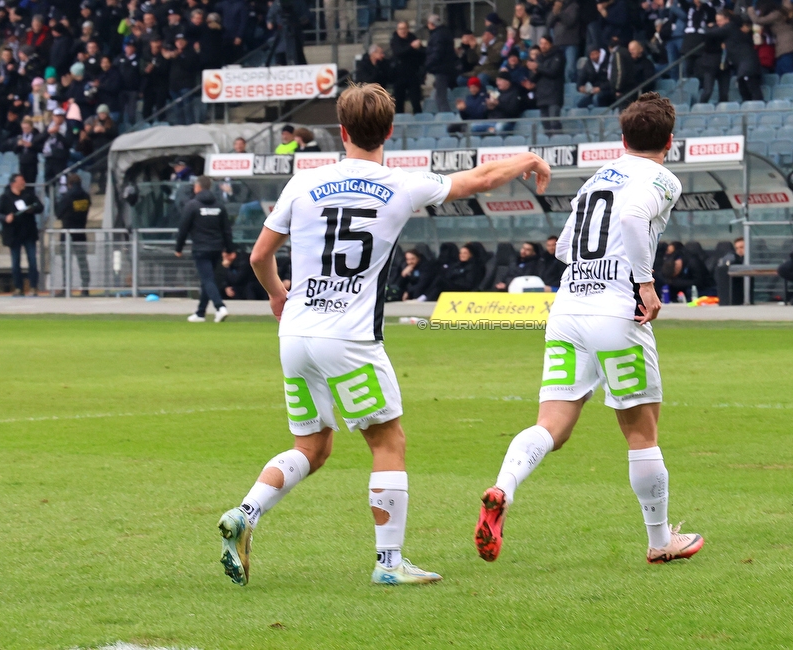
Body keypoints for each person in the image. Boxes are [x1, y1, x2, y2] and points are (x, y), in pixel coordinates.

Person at [216, 83, 550, 587]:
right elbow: (479, 180)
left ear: (342, 131)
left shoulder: (302, 182)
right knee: (387, 441)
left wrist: (278, 296)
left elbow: (259, 256)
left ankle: (246, 513)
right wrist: (526, 156)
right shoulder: (401, 184)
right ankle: (389, 564)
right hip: (349, 339)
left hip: (297, 336)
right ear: (389, 132)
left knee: (312, 447)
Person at [473, 93, 704, 566]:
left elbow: (563, 247)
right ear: (670, 142)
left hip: (569, 309)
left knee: (551, 425)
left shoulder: (598, 177)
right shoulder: (661, 177)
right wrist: (645, 283)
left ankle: (504, 487)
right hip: (616, 312)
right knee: (642, 434)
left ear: (622, 139)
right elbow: (633, 216)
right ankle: (660, 541)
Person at [175, 174, 235, 322]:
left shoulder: (192, 205)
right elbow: (226, 230)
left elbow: (183, 228)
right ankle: (200, 313)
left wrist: (178, 247)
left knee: (208, 280)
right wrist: (229, 249)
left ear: (197, 187)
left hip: (201, 249)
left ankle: (220, 307)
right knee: (207, 281)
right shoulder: (219, 206)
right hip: (217, 248)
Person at [0, 173, 44, 296]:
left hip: (28, 232)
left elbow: (40, 207)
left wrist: (31, 209)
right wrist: (5, 218)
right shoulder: (5, 197)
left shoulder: (29, 195)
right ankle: (18, 287)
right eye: (21, 180)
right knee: (15, 262)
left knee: (32, 261)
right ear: (14, 183)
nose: (23, 183)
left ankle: (33, 286)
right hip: (14, 234)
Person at [707, 11, 764, 101]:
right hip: (743, 64)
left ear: (727, 20)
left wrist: (708, 27)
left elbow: (711, 33)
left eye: (720, 21)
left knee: (751, 87)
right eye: (716, 21)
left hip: (747, 64)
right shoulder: (734, 29)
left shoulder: (729, 27)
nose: (717, 23)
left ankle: (757, 108)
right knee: (743, 88)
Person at [56, 173, 93, 296]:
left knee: (66, 261)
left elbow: (59, 213)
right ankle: (85, 287)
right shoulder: (86, 196)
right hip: (81, 231)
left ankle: (66, 287)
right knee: (82, 260)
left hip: (67, 231)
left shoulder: (67, 197)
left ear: (69, 184)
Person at [748, 0, 793, 76]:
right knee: (779, 72)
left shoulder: (776, 14)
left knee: (788, 72)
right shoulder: (779, 13)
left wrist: (750, 9)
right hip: (783, 46)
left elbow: (758, 20)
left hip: (786, 45)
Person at [390, 22, 424, 114]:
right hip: (399, 75)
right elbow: (398, 52)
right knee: (399, 101)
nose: (403, 31)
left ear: (408, 29)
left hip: (413, 73)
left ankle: (419, 120)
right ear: (397, 30)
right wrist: (411, 47)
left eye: (404, 28)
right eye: (400, 29)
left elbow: (422, 53)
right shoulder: (395, 40)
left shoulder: (413, 38)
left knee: (416, 100)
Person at [532, 37, 564, 133]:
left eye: (545, 43)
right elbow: (534, 78)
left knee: (554, 123)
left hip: (554, 94)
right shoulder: (538, 58)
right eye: (541, 43)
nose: (543, 46)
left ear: (551, 44)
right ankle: (549, 144)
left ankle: (559, 143)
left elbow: (553, 72)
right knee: (545, 125)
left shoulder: (558, 56)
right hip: (542, 95)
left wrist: (538, 68)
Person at [424, 14, 455, 112]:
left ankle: (447, 120)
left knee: (441, 98)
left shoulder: (438, 35)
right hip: (447, 68)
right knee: (440, 96)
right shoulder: (446, 33)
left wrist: (427, 65)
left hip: (442, 69)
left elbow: (437, 53)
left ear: (431, 24)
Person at [548, 0, 581, 82]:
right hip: (557, 43)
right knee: (558, 69)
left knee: (570, 69)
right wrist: (554, 12)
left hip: (570, 43)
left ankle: (570, 91)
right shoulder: (556, 7)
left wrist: (559, 13)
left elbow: (570, 22)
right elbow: (549, 23)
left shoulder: (574, 5)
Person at [714, 237, 745, 305]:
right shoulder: (734, 261)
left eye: (742, 247)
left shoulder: (752, 261)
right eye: (737, 248)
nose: (739, 250)